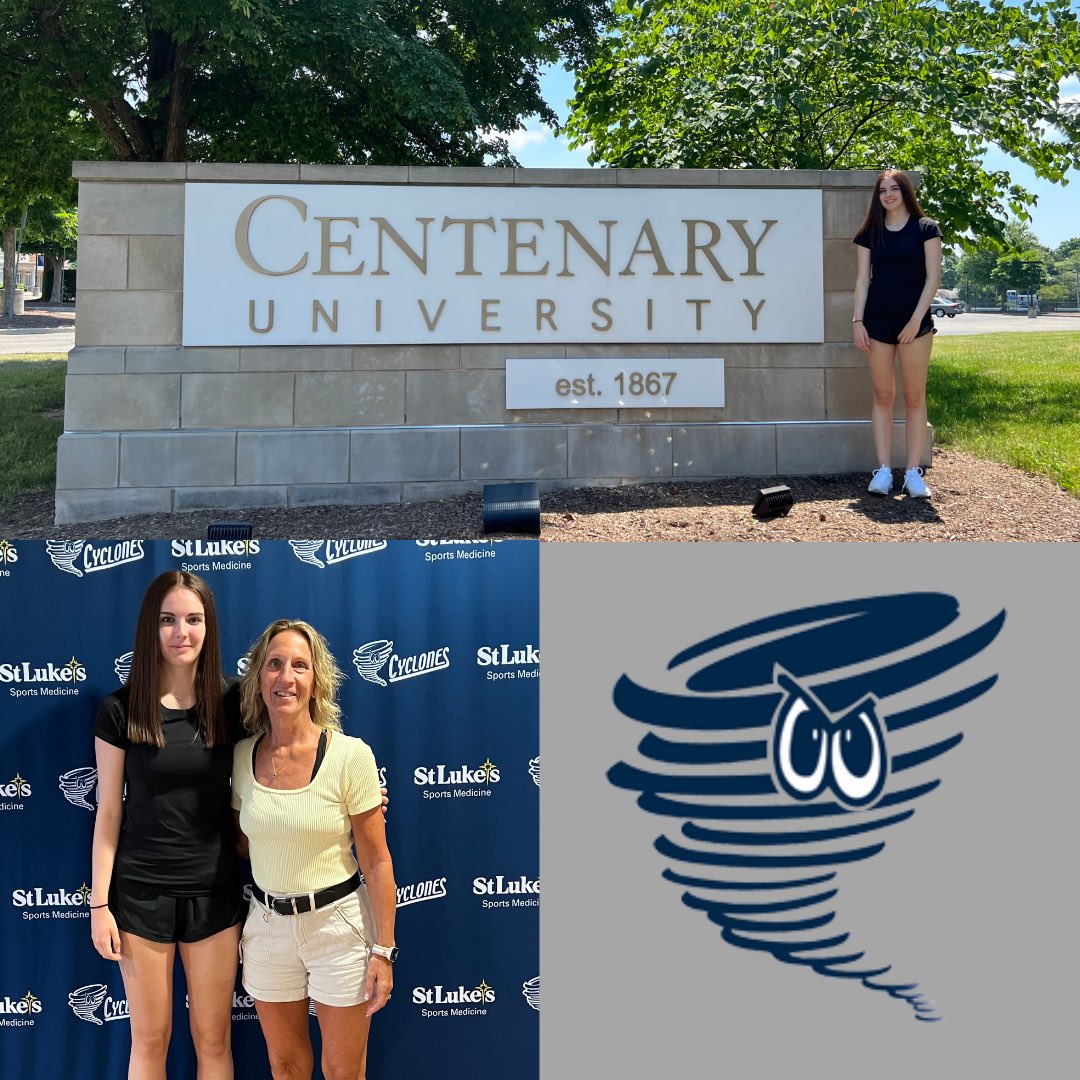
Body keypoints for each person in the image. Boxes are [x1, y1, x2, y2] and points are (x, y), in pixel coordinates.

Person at [90, 571, 246, 1079]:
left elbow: (286, 764)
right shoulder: (120, 709)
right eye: (168, 620)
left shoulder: (236, 704)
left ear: (209, 627)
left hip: (215, 891)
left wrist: (347, 790)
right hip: (140, 896)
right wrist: (99, 904)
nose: (182, 631)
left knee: (213, 1040)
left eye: (194, 619)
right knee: (151, 1040)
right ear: (150, 629)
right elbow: (109, 811)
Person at [231, 619, 396, 1080]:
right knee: (285, 1068)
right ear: (258, 679)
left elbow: (378, 861)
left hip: (338, 929)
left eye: (300, 666)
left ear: (316, 680)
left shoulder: (350, 756)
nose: (287, 677)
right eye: (275, 665)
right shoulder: (241, 758)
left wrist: (384, 951)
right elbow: (243, 842)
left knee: (343, 1070)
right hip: (266, 929)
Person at [852, 168, 942, 499]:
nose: (888, 195)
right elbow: (863, 280)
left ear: (905, 192)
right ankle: (884, 471)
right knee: (883, 396)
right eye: (882, 190)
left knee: (914, 397)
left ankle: (913, 473)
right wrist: (857, 321)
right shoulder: (870, 233)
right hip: (876, 323)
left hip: (915, 324)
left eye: (894, 189)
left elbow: (933, 278)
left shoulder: (926, 229)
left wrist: (915, 320)